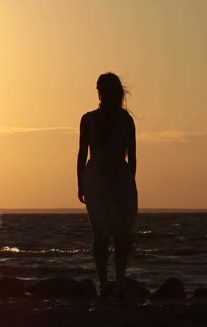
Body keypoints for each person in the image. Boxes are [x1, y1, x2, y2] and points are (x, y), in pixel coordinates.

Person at [77, 72, 138, 301]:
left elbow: (132, 155)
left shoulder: (125, 120)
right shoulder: (89, 119)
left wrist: (129, 181)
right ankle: (106, 284)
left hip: (113, 178)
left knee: (120, 233)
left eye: (103, 88)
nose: (101, 92)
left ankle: (117, 283)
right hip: (100, 178)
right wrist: (80, 182)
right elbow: (82, 153)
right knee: (102, 233)